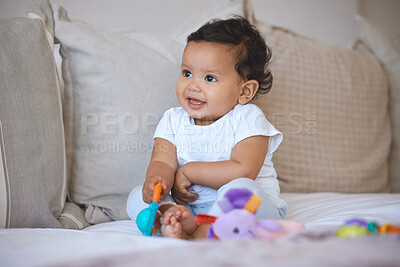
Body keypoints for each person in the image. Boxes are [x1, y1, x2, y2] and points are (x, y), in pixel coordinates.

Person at [126, 16, 287, 239]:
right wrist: (159, 180)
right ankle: (175, 218)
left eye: (210, 78)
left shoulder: (248, 118)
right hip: (193, 210)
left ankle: (196, 233)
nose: (193, 85)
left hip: (245, 210)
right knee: (136, 197)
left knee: (241, 189)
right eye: (187, 73)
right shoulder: (173, 119)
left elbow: (243, 170)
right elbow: (162, 161)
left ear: (245, 92)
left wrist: (189, 170)